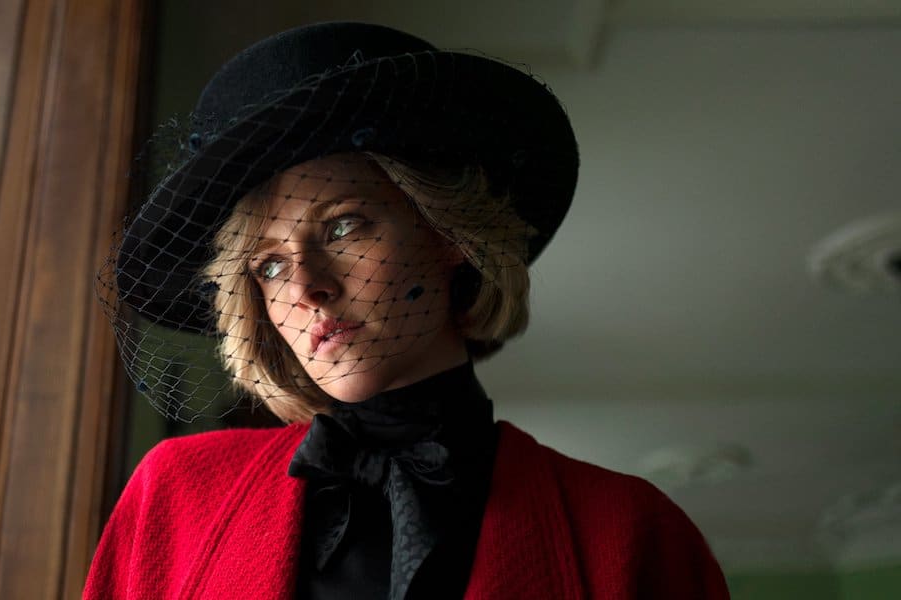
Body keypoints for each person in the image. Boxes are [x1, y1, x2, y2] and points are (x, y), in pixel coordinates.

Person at [85, 22, 730, 599]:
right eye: (270, 266)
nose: (306, 286)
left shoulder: (630, 530)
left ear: (447, 232)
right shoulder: (174, 498)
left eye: (343, 226)